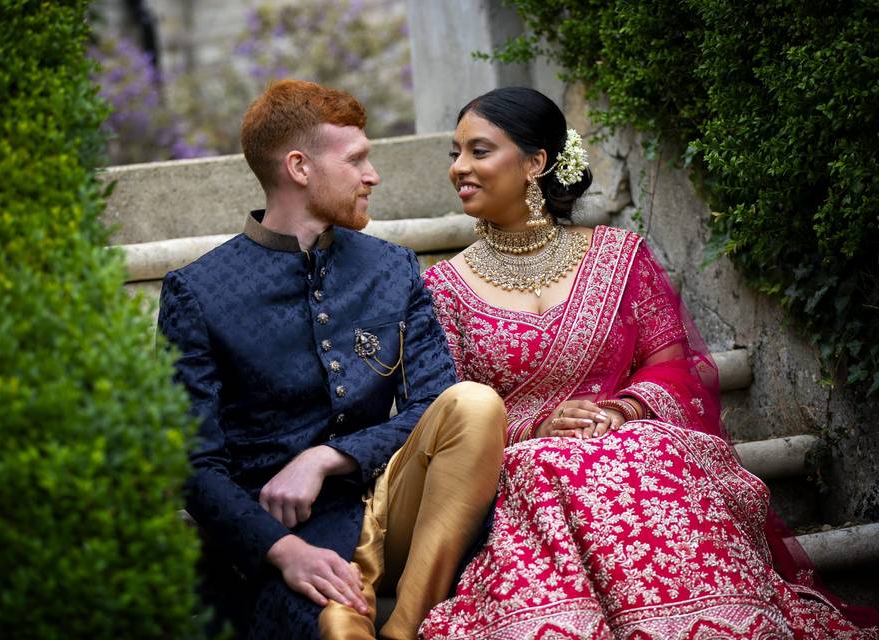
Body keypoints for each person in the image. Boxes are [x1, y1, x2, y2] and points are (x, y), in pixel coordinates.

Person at [416, 87, 878, 639]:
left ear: (536, 163)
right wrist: (538, 426)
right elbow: (445, 413)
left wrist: (626, 406)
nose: (459, 168)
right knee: (552, 467)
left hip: (636, 433)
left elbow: (672, 364)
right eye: (455, 153)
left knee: (646, 448)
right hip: (520, 459)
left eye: (479, 151)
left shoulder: (619, 255)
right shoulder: (442, 288)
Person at [157, 79, 506, 640]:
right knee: (335, 628)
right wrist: (283, 550)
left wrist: (328, 457)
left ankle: (408, 624)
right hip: (300, 538)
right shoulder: (197, 294)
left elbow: (431, 405)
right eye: (357, 160)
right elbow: (192, 465)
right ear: (299, 167)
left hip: (406, 510)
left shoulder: (392, 267)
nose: (372, 176)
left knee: (473, 403)